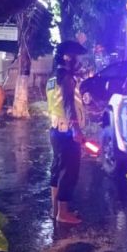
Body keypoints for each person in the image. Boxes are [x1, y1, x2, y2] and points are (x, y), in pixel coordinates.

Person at [45, 40, 88, 224]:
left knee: (57, 170)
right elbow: (68, 105)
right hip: (67, 133)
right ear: (67, 57)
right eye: (76, 57)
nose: (79, 62)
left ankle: (55, 210)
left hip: (56, 131)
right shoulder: (67, 79)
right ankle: (63, 213)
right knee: (68, 173)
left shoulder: (53, 78)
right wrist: (76, 130)